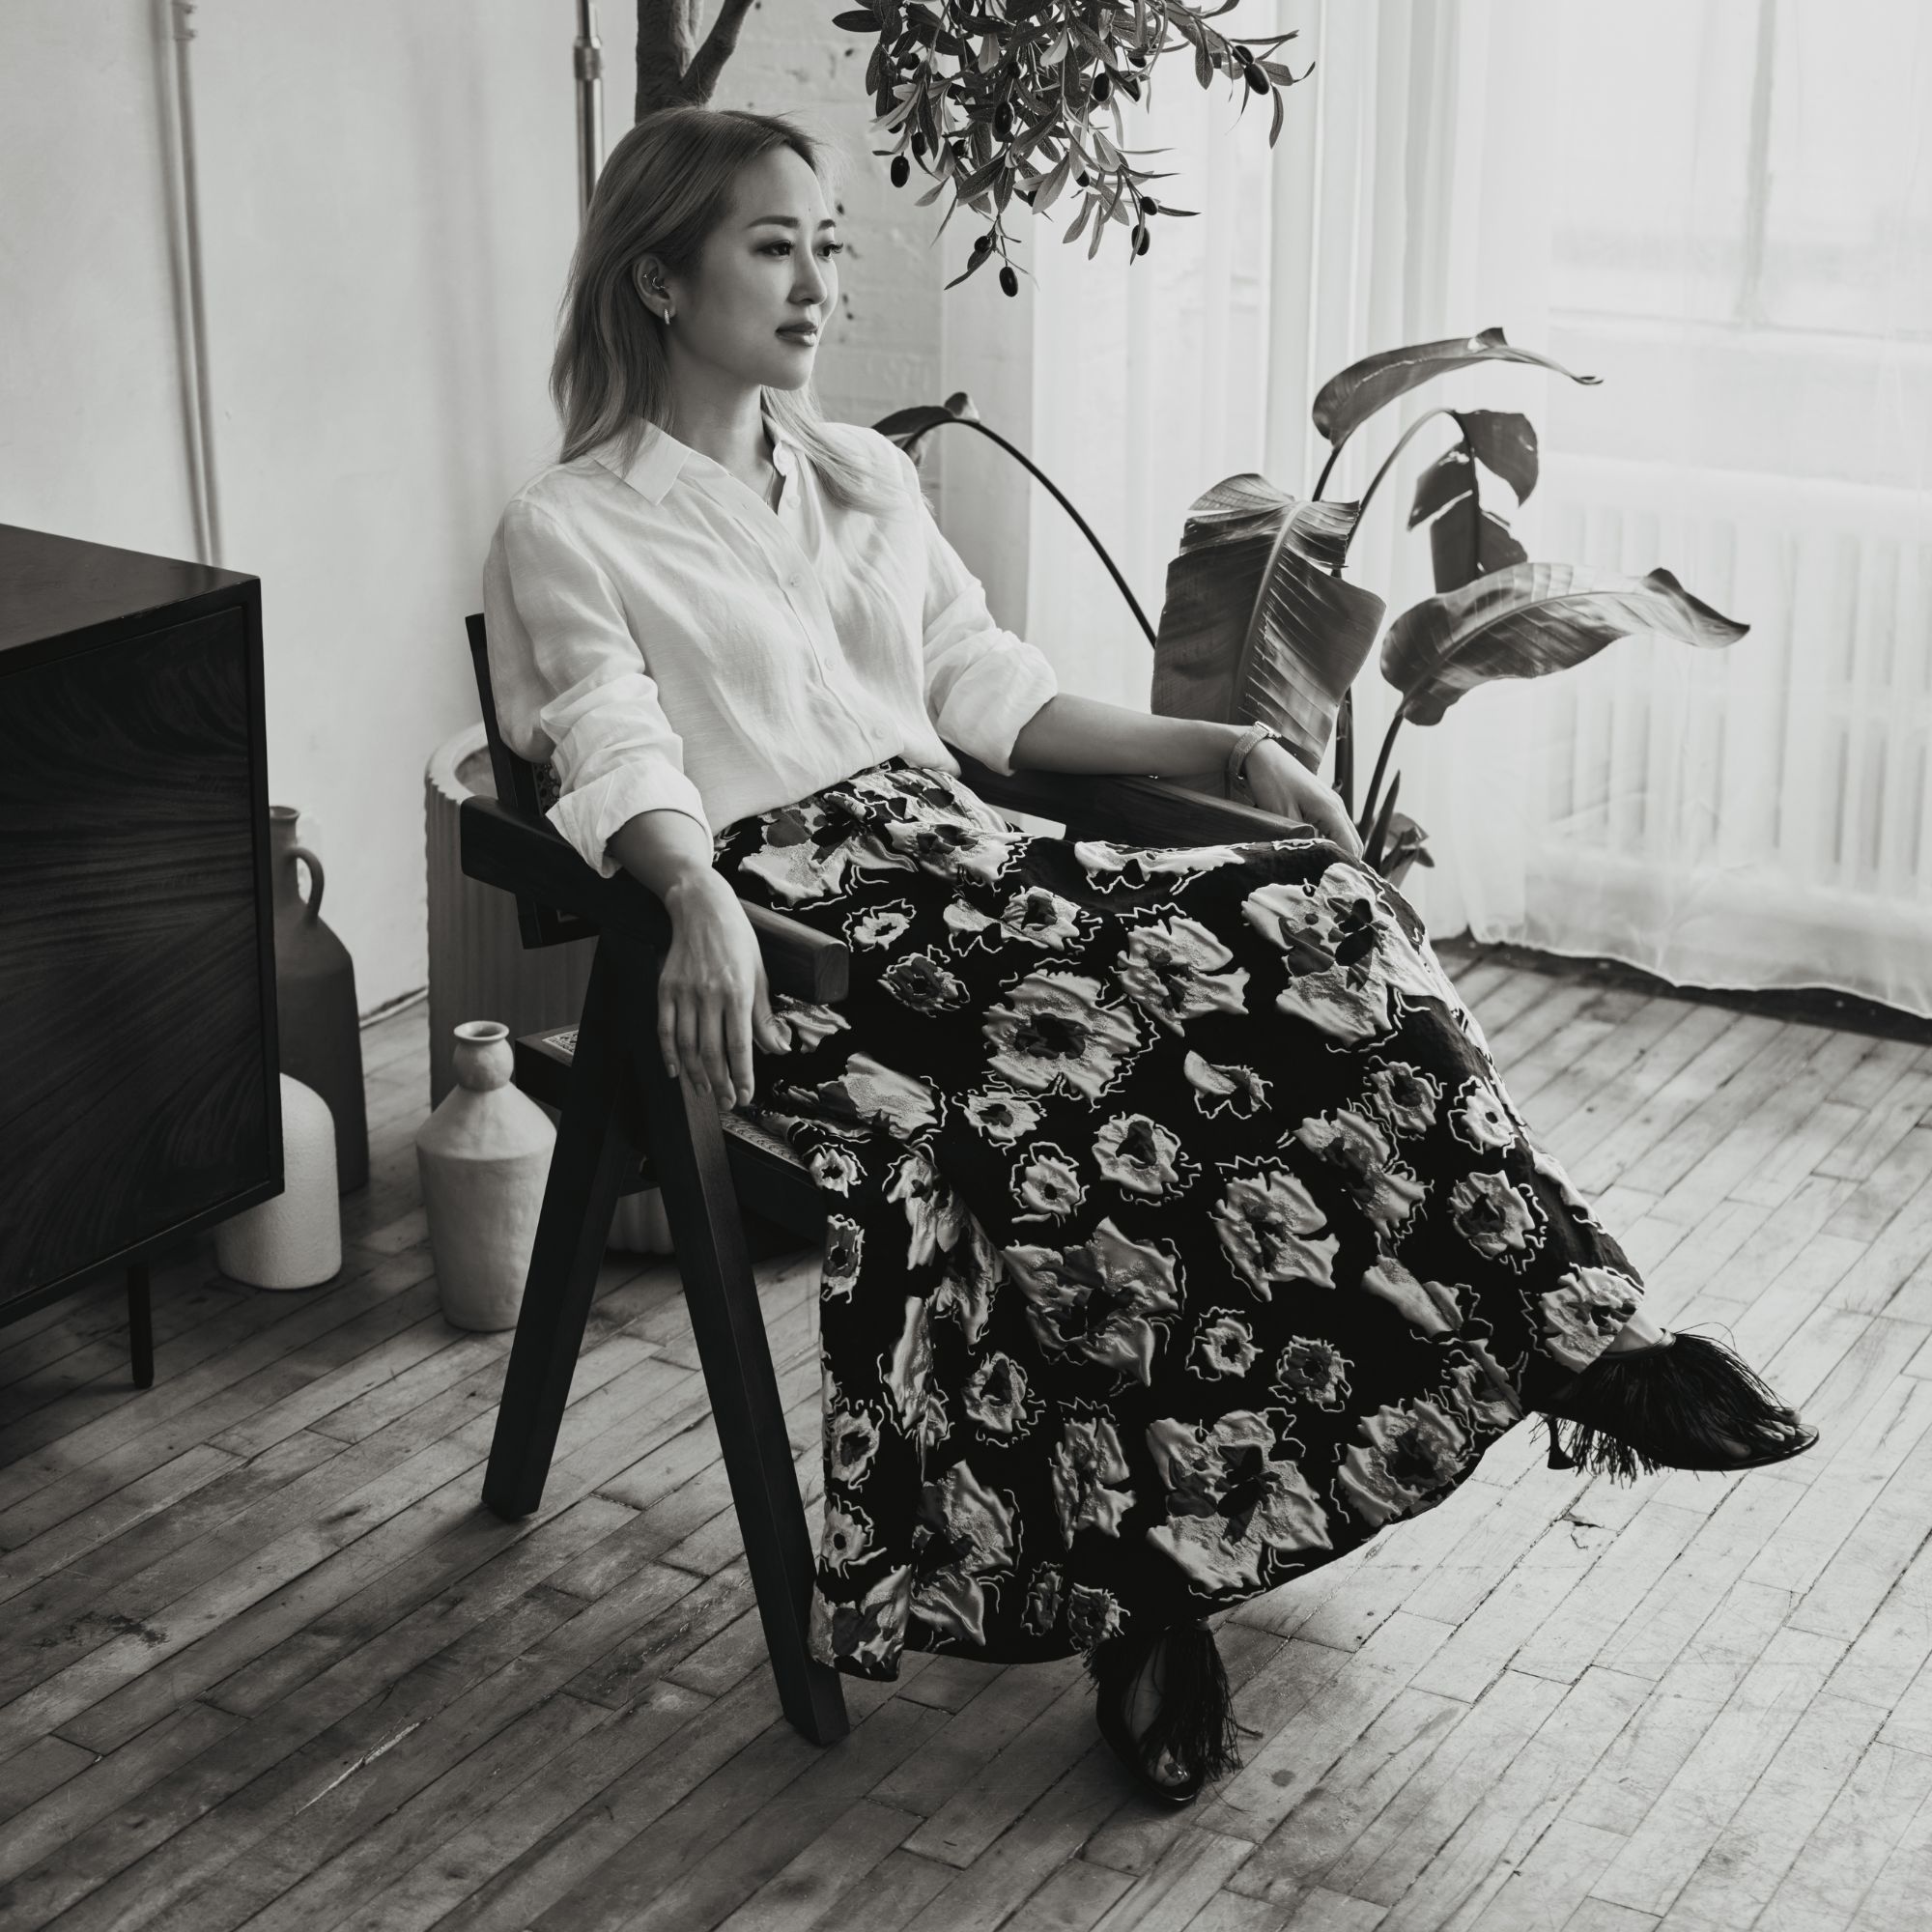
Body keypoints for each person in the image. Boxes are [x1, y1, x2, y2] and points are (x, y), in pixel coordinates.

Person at [482, 103, 1816, 1805]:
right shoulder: (571, 523)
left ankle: (1561, 1325)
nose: (817, 280)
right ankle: (1149, 1590)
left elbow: (987, 691)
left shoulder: (865, 478)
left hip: (980, 860)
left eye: (828, 243)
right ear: (661, 280)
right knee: (1091, 1089)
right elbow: (608, 745)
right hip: (807, 912)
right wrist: (692, 897)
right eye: (774, 245)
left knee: (1325, 920)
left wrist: (1222, 754)